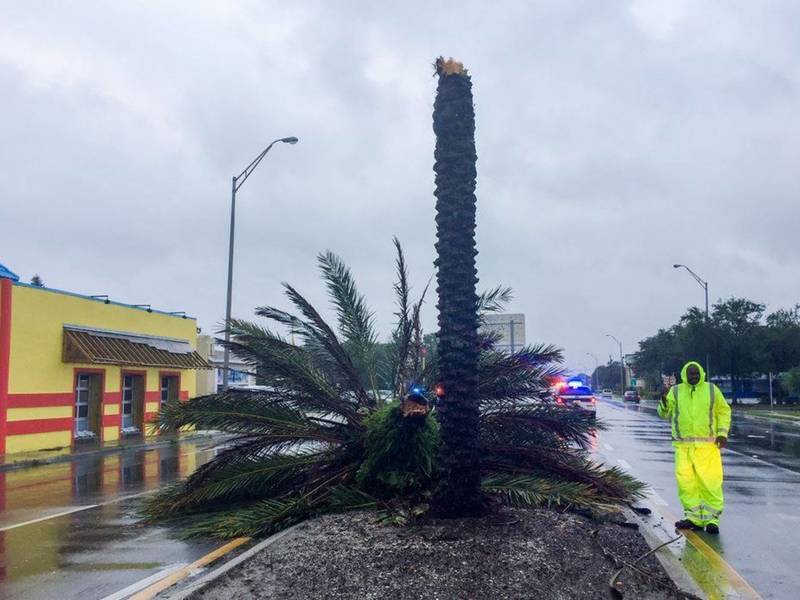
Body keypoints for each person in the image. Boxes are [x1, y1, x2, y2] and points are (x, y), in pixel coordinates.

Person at [657, 361, 731, 534]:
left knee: (710, 483)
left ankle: (712, 520)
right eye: (690, 374)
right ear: (684, 375)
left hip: (708, 447)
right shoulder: (675, 391)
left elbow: (723, 411)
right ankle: (693, 518)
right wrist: (663, 399)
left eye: (696, 374)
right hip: (683, 447)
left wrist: (722, 433)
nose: (693, 376)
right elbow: (663, 414)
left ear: (701, 374)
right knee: (687, 484)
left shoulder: (712, 390)